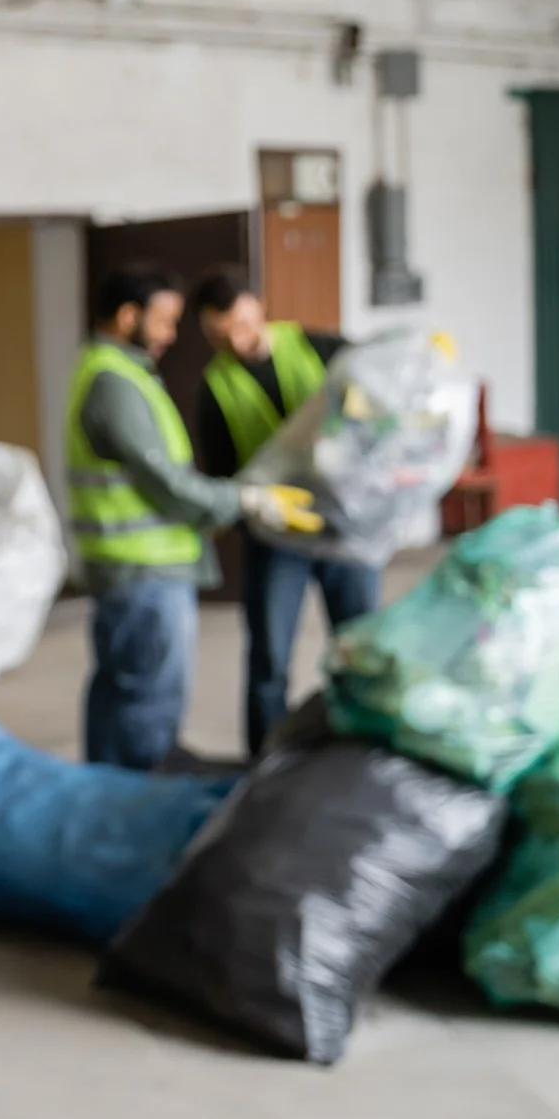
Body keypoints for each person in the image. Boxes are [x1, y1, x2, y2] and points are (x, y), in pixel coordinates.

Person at [65, 265, 318, 770]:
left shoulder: (117, 372)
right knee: (148, 705)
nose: (171, 335)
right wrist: (244, 501)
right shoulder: (115, 383)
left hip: (135, 568)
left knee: (119, 693)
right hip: (144, 571)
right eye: (163, 321)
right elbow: (168, 485)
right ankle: (137, 811)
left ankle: (106, 800)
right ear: (126, 316)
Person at [190, 269, 377, 754]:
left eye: (245, 324)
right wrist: (255, 510)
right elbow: (224, 476)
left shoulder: (320, 348)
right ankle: (264, 763)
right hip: (277, 537)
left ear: (262, 306)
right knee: (269, 658)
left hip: (342, 528)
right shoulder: (215, 388)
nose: (237, 339)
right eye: (221, 333)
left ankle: (363, 752)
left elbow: (380, 388)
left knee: (359, 649)